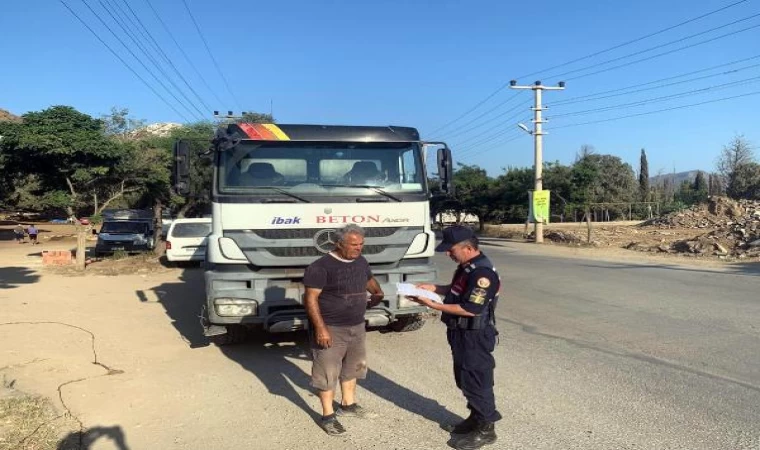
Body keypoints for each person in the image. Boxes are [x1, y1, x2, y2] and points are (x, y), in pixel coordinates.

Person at [410, 225, 501, 450]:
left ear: (468, 248)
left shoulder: (483, 273)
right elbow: (457, 290)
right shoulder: (467, 266)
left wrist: (432, 304)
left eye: (451, 250)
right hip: (460, 332)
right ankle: (475, 417)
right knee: (463, 378)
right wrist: (434, 288)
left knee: (476, 379)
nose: (447, 254)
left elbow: (471, 308)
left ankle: (486, 428)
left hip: (474, 334)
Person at [303, 224, 384, 435]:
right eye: (354, 245)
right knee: (327, 372)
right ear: (339, 244)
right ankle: (328, 416)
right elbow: (310, 299)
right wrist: (321, 329)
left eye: (361, 244)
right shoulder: (321, 267)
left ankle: (348, 405)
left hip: (356, 325)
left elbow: (368, 279)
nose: (359, 248)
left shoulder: (361, 261)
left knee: (352, 368)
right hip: (331, 327)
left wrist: (377, 292)